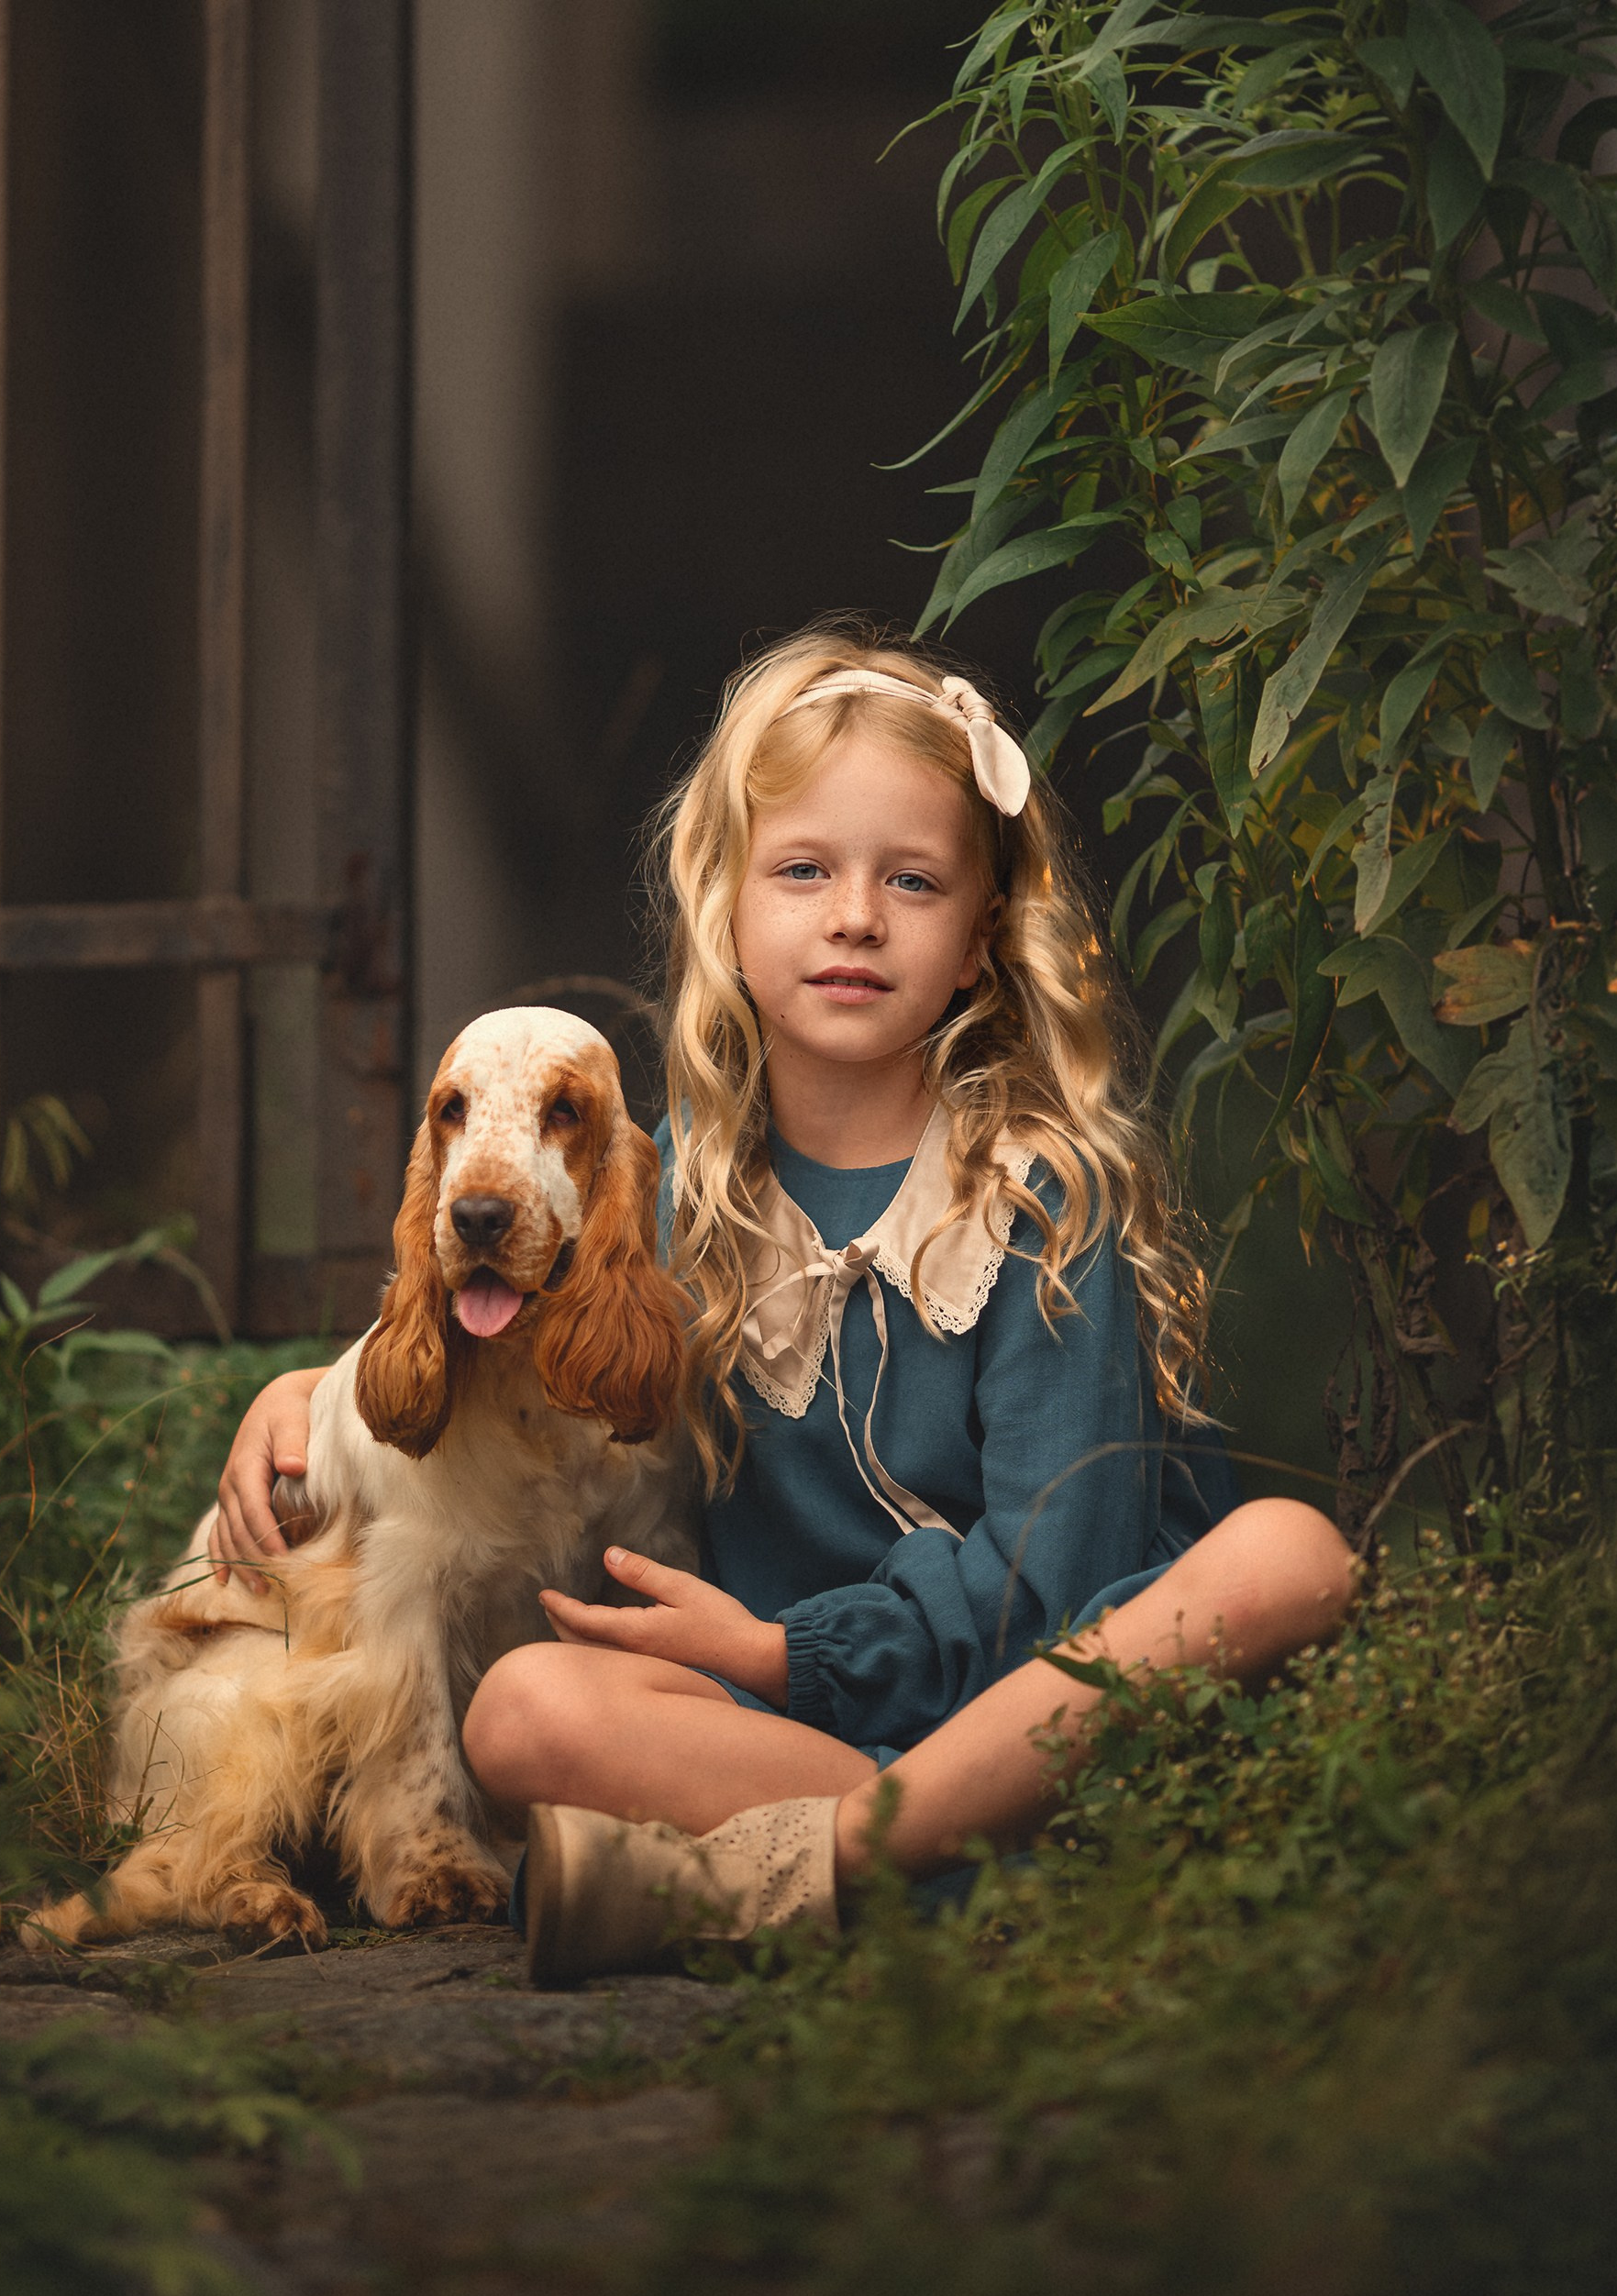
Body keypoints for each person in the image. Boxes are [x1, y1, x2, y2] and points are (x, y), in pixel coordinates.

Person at [210, 625, 1353, 1980]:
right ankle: (982, 1873)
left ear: (983, 943)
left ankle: (834, 1864)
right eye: (804, 870)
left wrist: (777, 1646)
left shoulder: (1038, 1207)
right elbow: (500, 1319)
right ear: (730, 915)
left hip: (1040, 1699)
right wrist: (302, 1396)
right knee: (521, 1712)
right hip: (782, 1729)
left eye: (914, 881)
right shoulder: (688, 1197)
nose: (855, 916)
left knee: (1290, 1553)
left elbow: (1060, 1594)